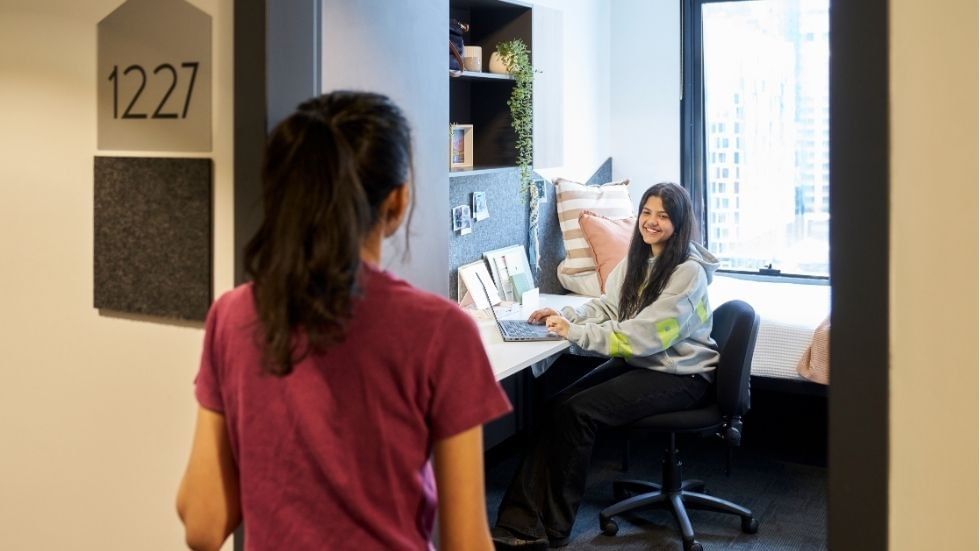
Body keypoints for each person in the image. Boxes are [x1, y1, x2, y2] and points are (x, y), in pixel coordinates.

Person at [176, 91, 510, 551]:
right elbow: (467, 541)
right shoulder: (441, 331)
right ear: (397, 202)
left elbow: (202, 525)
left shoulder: (233, 315)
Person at [491, 182, 721, 549]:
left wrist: (576, 334)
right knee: (557, 404)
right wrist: (567, 315)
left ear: (679, 224)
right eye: (646, 212)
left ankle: (554, 528)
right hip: (645, 362)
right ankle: (521, 521)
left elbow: (645, 336)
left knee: (578, 412)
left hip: (681, 374)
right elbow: (608, 306)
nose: (651, 221)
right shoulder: (638, 259)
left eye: (663, 216)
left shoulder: (687, 274)